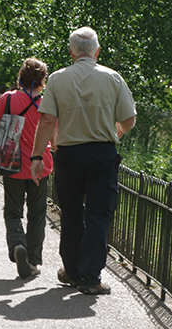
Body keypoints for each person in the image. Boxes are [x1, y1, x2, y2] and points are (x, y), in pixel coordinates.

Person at [31, 27, 136, 295]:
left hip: (68, 156)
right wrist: (117, 133)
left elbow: (46, 120)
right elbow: (128, 120)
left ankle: (73, 271)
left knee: (71, 212)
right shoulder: (113, 78)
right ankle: (91, 277)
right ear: (97, 52)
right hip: (102, 155)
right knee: (99, 215)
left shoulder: (56, 79)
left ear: (71, 52)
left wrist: (36, 156)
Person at [0, 58, 54, 279]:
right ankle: (33, 260)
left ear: (21, 76)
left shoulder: (8, 98)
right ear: (42, 80)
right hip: (40, 164)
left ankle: (18, 244)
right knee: (37, 214)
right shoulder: (47, 103)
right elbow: (54, 137)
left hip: (12, 162)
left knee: (13, 211)